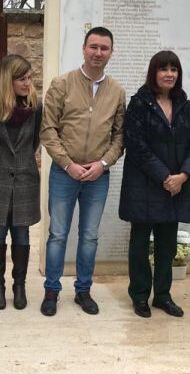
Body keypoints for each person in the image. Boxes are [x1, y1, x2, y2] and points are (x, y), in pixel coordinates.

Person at [39, 26, 126, 316]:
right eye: (93, 46)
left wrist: (103, 164)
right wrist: (68, 163)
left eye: (104, 48)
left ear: (111, 52)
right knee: (58, 234)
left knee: (89, 236)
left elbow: (119, 136)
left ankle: (83, 290)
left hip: (97, 177)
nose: (98, 53)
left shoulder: (116, 91)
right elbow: (48, 129)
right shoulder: (62, 84)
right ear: (84, 48)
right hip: (64, 173)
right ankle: (52, 290)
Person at [119, 50, 190, 318]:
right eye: (163, 69)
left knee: (167, 245)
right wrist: (165, 176)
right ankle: (140, 296)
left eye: (174, 69)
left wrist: (183, 176)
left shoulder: (185, 106)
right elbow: (136, 146)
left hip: (176, 187)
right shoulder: (139, 104)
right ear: (153, 73)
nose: (169, 74)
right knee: (140, 245)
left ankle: (163, 296)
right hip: (145, 185)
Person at [0, 54, 42, 310]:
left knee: (22, 233)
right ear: (9, 80)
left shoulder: (35, 106)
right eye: (22, 78)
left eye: (29, 78)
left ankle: (19, 286)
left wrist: (22, 163)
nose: (28, 83)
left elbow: (35, 141)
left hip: (25, 178)